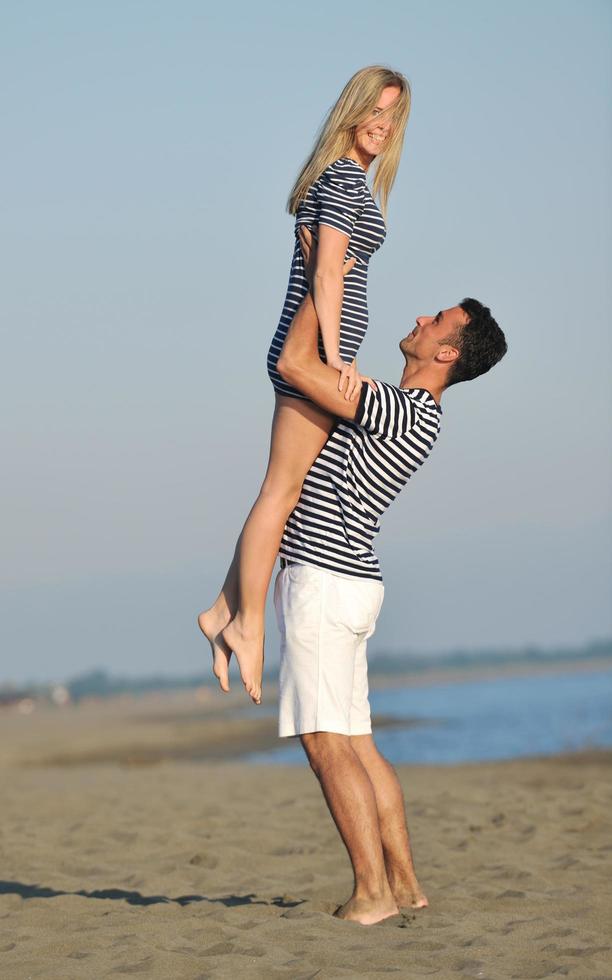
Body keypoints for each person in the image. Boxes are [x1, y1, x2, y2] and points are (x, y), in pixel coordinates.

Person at [214, 232, 508, 924]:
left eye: (436, 321)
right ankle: (404, 885)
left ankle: (373, 894)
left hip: (325, 578)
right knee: (357, 743)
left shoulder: (396, 407)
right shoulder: (409, 409)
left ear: (446, 354)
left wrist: (326, 275)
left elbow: (291, 362)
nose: (419, 319)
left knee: (324, 743)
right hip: (350, 581)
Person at [198, 66, 411, 705]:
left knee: (284, 488)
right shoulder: (343, 180)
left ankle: (220, 610)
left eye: (394, 114)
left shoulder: (342, 181)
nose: (383, 123)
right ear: (352, 109)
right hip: (312, 357)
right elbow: (327, 275)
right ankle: (248, 625)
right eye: (375, 108)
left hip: (314, 355)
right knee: (281, 489)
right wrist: (339, 360)